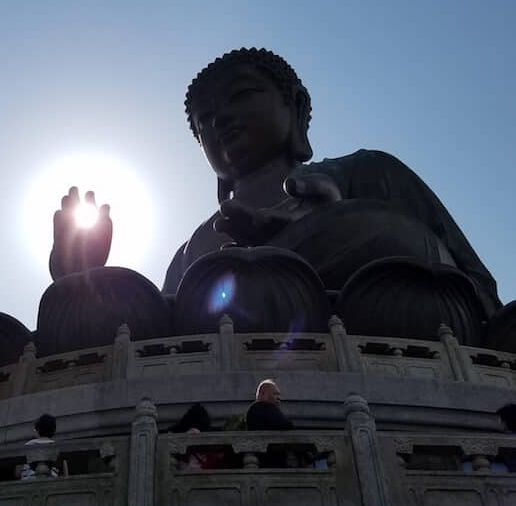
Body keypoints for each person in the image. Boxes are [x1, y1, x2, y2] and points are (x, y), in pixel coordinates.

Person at [49, 49, 499, 319]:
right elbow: (158, 328)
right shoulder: (195, 246)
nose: (219, 119)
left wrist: (331, 217)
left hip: (377, 319)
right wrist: (84, 280)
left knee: (392, 234)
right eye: (204, 120)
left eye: (240, 96)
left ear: (296, 108)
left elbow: (471, 282)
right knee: (155, 296)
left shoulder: (367, 170)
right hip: (224, 340)